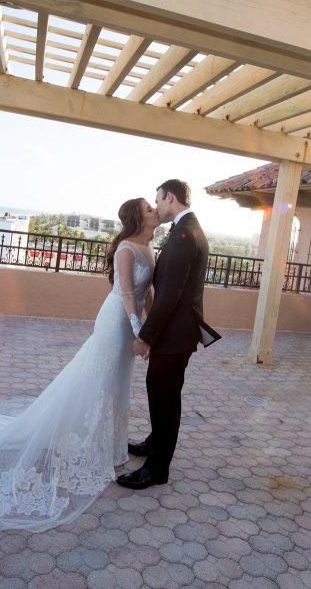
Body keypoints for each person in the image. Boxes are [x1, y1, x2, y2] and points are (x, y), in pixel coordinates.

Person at [0, 198, 159, 531]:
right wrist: (139, 329)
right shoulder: (126, 248)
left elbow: (147, 292)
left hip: (132, 325)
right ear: (137, 216)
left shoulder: (149, 247)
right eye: (148, 208)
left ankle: (105, 445)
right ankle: (84, 443)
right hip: (116, 323)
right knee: (100, 379)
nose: (153, 211)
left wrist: (149, 330)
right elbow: (124, 293)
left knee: (117, 381)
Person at [118, 179, 219, 490]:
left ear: (170, 197)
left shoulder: (183, 235)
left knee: (165, 398)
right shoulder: (186, 229)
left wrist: (145, 336)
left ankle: (156, 469)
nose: (157, 207)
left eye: (158, 201)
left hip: (174, 334)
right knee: (159, 391)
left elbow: (169, 295)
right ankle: (154, 443)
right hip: (177, 331)